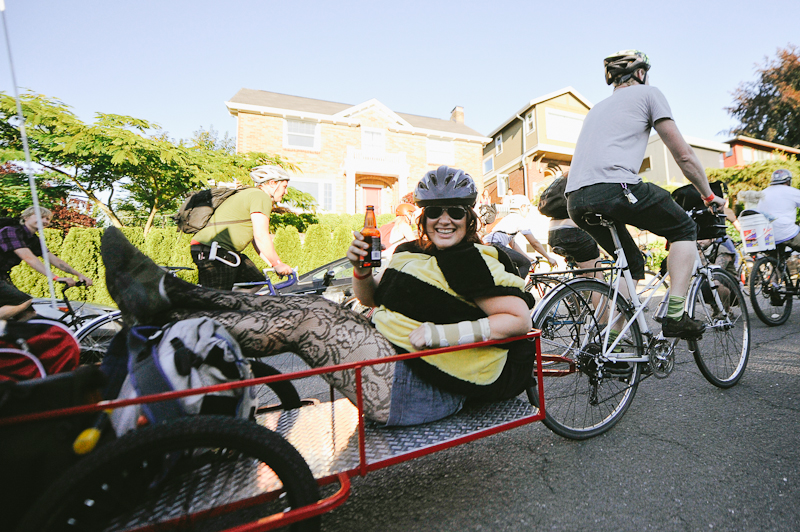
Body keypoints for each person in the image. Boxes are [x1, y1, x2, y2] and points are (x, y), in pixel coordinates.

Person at [100, 166, 535, 426]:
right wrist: (362, 272)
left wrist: (438, 336)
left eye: (454, 212)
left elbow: (517, 320)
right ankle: (172, 297)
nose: (444, 220)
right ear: (422, 215)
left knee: (309, 319)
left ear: (468, 216)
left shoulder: (472, 259)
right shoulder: (406, 253)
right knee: (304, 305)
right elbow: (369, 300)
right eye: (434, 211)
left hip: (424, 386)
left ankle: (168, 319)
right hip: (389, 356)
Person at [565, 49, 726, 339]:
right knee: (684, 228)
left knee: (631, 262)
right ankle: (676, 315)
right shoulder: (649, 94)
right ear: (641, 73)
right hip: (615, 187)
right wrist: (708, 196)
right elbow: (684, 155)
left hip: (575, 199)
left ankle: (612, 340)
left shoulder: (596, 109)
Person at [191, 165, 294, 290]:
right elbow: (261, 235)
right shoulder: (260, 196)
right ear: (272, 183)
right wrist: (278, 263)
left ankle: (235, 308)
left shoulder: (250, 194)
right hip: (214, 251)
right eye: (284, 187)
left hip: (217, 250)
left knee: (256, 282)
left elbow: (256, 240)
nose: (286, 192)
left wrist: (273, 265)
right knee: (218, 301)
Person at [0, 206, 93, 321]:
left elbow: (54, 260)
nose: (45, 221)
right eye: (41, 217)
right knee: (23, 301)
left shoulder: (33, 240)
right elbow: (29, 258)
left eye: (48, 219)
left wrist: (79, 274)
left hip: (3, 277)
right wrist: (55, 278)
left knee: (28, 314)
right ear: (25, 218)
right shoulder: (10, 231)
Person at [544, 173, 603, 278]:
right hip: (573, 233)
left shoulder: (565, 179)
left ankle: (575, 290)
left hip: (554, 233)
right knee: (596, 275)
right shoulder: (585, 178)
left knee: (584, 273)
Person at [482, 195, 557, 278]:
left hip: (488, 245)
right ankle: (516, 288)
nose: (528, 212)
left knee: (512, 267)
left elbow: (513, 244)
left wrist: (527, 257)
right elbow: (534, 243)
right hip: (494, 245)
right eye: (528, 209)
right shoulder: (519, 219)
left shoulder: (508, 218)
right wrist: (548, 257)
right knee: (525, 264)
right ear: (522, 207)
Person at [756, 169, 800, 252]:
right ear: (788, 181)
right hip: (786, 232)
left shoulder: (763, 192)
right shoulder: (792, 192)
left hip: (765, 235)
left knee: (777, 260)